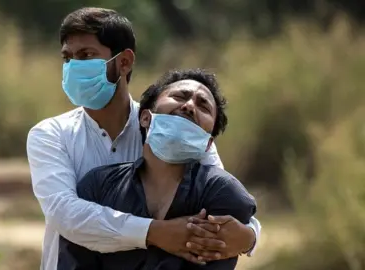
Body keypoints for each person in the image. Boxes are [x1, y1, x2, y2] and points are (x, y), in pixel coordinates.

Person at [26, 7, 261, 270]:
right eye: (67, 58)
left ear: (124, 62)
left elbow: (218, 195)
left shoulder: (175, 128)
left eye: (87, 56)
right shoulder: (50, 135)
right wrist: (156, 232)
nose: (73, 67)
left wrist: (250, 236)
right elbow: (64, 214)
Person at [57, 68, 257, 270]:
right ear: (145, 118)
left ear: (208, 144)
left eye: (203, 106)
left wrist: (250, 238)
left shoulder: (221, 193)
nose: (189, 106)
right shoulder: (98, 187)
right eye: (180, 96)